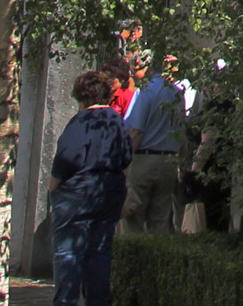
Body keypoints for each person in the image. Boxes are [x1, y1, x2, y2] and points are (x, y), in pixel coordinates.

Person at [50, 67, 134, 306]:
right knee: (100, 251)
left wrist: (54, 186)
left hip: (77, 192)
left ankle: (66, 301)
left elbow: (68, 158)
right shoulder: (117, 121)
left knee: (68, 253)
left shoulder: (81, 121)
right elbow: (126, 157)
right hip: (109, 190)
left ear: (82, 96)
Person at [118, 57, 187, 233]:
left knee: (133, 216)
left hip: (144, 160)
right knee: (161, 219)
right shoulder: (177, 93)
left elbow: (136, 131)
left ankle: (133, 259)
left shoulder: (145, 91)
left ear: (148, 69)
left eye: (136, 69)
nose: (133, 74)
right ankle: (157, 258)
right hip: (169, 162)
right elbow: (182, 132)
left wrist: (124, 164)